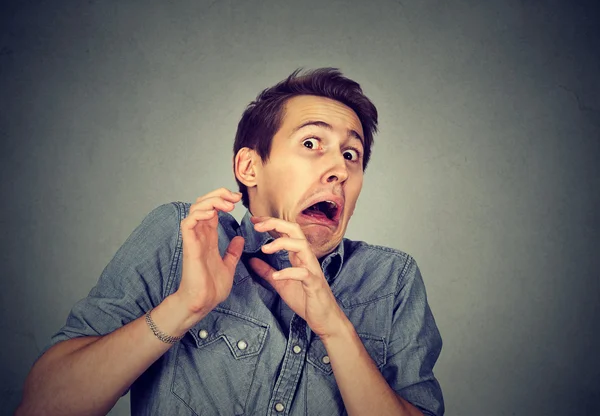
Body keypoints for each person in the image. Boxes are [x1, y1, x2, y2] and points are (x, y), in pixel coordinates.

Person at [17, 68, 444, 416]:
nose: (339, 169)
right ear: (249, 167)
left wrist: (335, 328)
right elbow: (42, 405)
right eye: (312, 143)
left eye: (351, 154)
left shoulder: (393, 280)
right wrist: (184, 307)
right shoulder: (184, 236)